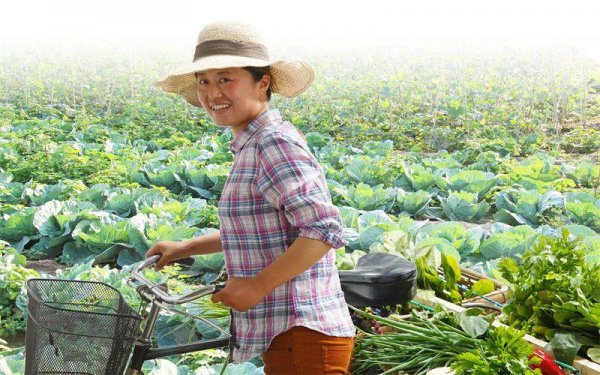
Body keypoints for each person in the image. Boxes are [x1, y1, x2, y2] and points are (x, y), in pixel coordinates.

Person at [146, 21, 355, 374]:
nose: (213, 93)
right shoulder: (253, 143)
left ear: (263, 82)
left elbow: (323, 228)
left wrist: (258, 285)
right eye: (204, 81)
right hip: (288, 335)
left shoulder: (273, 143)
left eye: (226, 79)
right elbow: (260, 232)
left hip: (302, 330)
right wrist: (187, 246)